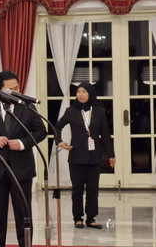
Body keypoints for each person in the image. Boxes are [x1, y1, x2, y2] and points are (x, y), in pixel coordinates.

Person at [0, 70, 47, 247]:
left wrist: (22, 142)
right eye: (9, 89)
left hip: (22, 169)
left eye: (16, 88)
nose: (14, 92)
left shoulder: (27, 106)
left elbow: (41, 132)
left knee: (23, 214)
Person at [55, 82, 116, 229]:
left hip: (94, 157)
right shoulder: (71, 111)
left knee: (93, 189)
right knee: (77, 189)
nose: (80, 94)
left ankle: (91, 218)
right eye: (78, 92)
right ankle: (77, 218)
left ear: (90, 93)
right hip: (76, 157)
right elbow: (57, 126)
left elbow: (105, 134)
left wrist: (111, 155)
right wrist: (60, 142)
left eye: (83, 91)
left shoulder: (99, 111)